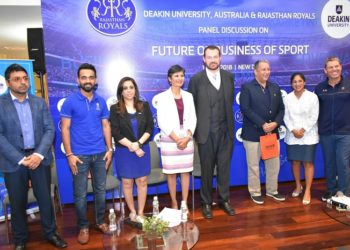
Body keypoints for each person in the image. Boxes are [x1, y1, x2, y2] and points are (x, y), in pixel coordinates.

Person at [0, 64, 67, 249]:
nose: (23, 82)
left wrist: (38, 154)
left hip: (39, 158)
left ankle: (51, 233)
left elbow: (49, 130)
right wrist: (21, 159)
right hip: (14, 162)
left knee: (45, 199)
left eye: (25, 78)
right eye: (17, 79)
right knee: (17, 202)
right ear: (8, 82)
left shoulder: (39, 102)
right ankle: (20, 240)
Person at [60, 63, 113, 245]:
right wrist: (69, 155)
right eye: (84, 77)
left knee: (100, 191)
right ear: (78, 80)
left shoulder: (101, 101)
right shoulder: (70, 101)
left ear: (95, 80)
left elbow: (106, 126)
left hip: (100, 154)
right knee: (80, 194)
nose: (88, 80)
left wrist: (110, 149)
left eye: (91, 77)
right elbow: (65, 129)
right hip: (79, 156)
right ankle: (83, 226)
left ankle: (99, 221)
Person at [188, 45, 235, 219]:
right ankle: (206, 203)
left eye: (216, 56)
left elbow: (229, 104)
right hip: (205, 133)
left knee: (224, 169)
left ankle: (224, 200)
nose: (213, 60)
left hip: (226, 132)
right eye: (209, 57)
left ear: (220, 58)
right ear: (204, 59)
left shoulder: (229, 77)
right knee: (206, 170)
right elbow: (191, 108)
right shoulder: (196, 80)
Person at [240, 59, 285, 205]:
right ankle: (255, 192)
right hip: (253, 134)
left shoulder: (275, 87)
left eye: (268, 69)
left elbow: (281, 109)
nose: (266, 72)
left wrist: (276, 123)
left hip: (272, 134)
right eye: (263, 69)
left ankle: (272, 191)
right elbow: (245, 109)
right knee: (253, 165)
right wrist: (262, 124)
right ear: (255, 71)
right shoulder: (247, 87)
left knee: (273, 164)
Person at [109, 77, 153, 223]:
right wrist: (132, 146)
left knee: (142, 181)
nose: (128, 90)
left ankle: (140, 212)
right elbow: (115, 133)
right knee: (127, 183)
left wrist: (138, 144)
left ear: (135, 89)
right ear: (121, 92)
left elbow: (150, 128)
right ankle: (132, 212)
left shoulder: (144, 106)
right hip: (124, 152)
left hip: (142, 149)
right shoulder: (115, 109)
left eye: (131, 87)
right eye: (125, 88)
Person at [157, 65, 197, 210]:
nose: (180, 78)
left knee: (186, 172)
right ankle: (174, 202)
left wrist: (186, 138)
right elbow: (162, 121)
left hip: (186, 138)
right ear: (169, 79)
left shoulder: (189, 96)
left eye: (181, 75)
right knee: (172, 174)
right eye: (176, 76)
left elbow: (193, 118)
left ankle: (184, 202)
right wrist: (176, 139)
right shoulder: (162, 97)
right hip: (169, 140)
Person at [315, 57, 350, 200]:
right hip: (326, 132)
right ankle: (331, 190)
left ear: (341, 67)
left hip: (345, 132)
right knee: (329, 163)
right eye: (331, 67)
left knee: (342, 163)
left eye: (336, 66)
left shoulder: (349, 85)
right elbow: (314, 111)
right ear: (325, 70)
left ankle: (344, 193)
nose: (334, 69)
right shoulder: (319, 88)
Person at [284, 73, 319, 205]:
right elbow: (286, 117)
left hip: (308, 135)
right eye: (294, 82)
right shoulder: (287, 98)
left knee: (308, 163)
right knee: (295, 162)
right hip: (292, 135)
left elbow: (314, 116)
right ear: (291, 83)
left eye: (299, 81)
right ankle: (298, 186)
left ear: (304, 82)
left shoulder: (312, 97)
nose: (297, 84)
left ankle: (308, 190)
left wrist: (303, 130)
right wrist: (293, 130)